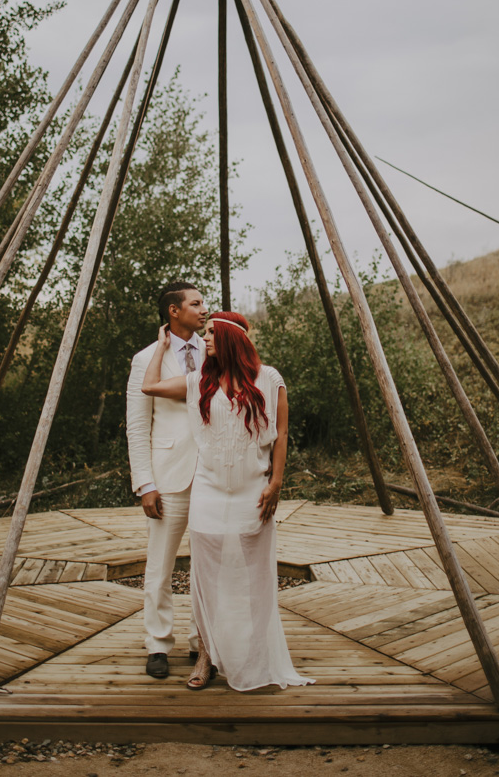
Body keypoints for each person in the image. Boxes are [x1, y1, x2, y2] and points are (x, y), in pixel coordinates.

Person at [141, 310, 314, 692]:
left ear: (232, 339)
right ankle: (206, 655)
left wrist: (278, 483)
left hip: (254, 489)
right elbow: (149, 387)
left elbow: (282, 434)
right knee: (206, 575)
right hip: (207, 489)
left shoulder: (269, 379)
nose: (204, 340)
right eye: (204, 334)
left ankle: (254, 655)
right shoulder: (198, 382)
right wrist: (162, 344)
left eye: (211, 334)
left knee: (255, 574)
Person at [126, 282, 207, 679]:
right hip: (168, 475)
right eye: (196, 303)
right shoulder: (145, 359)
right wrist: (145, 483)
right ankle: (158, 644)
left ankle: (201, 642)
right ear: (174, 311)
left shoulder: (214, 353)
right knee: (160, 565)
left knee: (207, 564)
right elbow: (137, 426)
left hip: (212, 475)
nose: (204, 309)